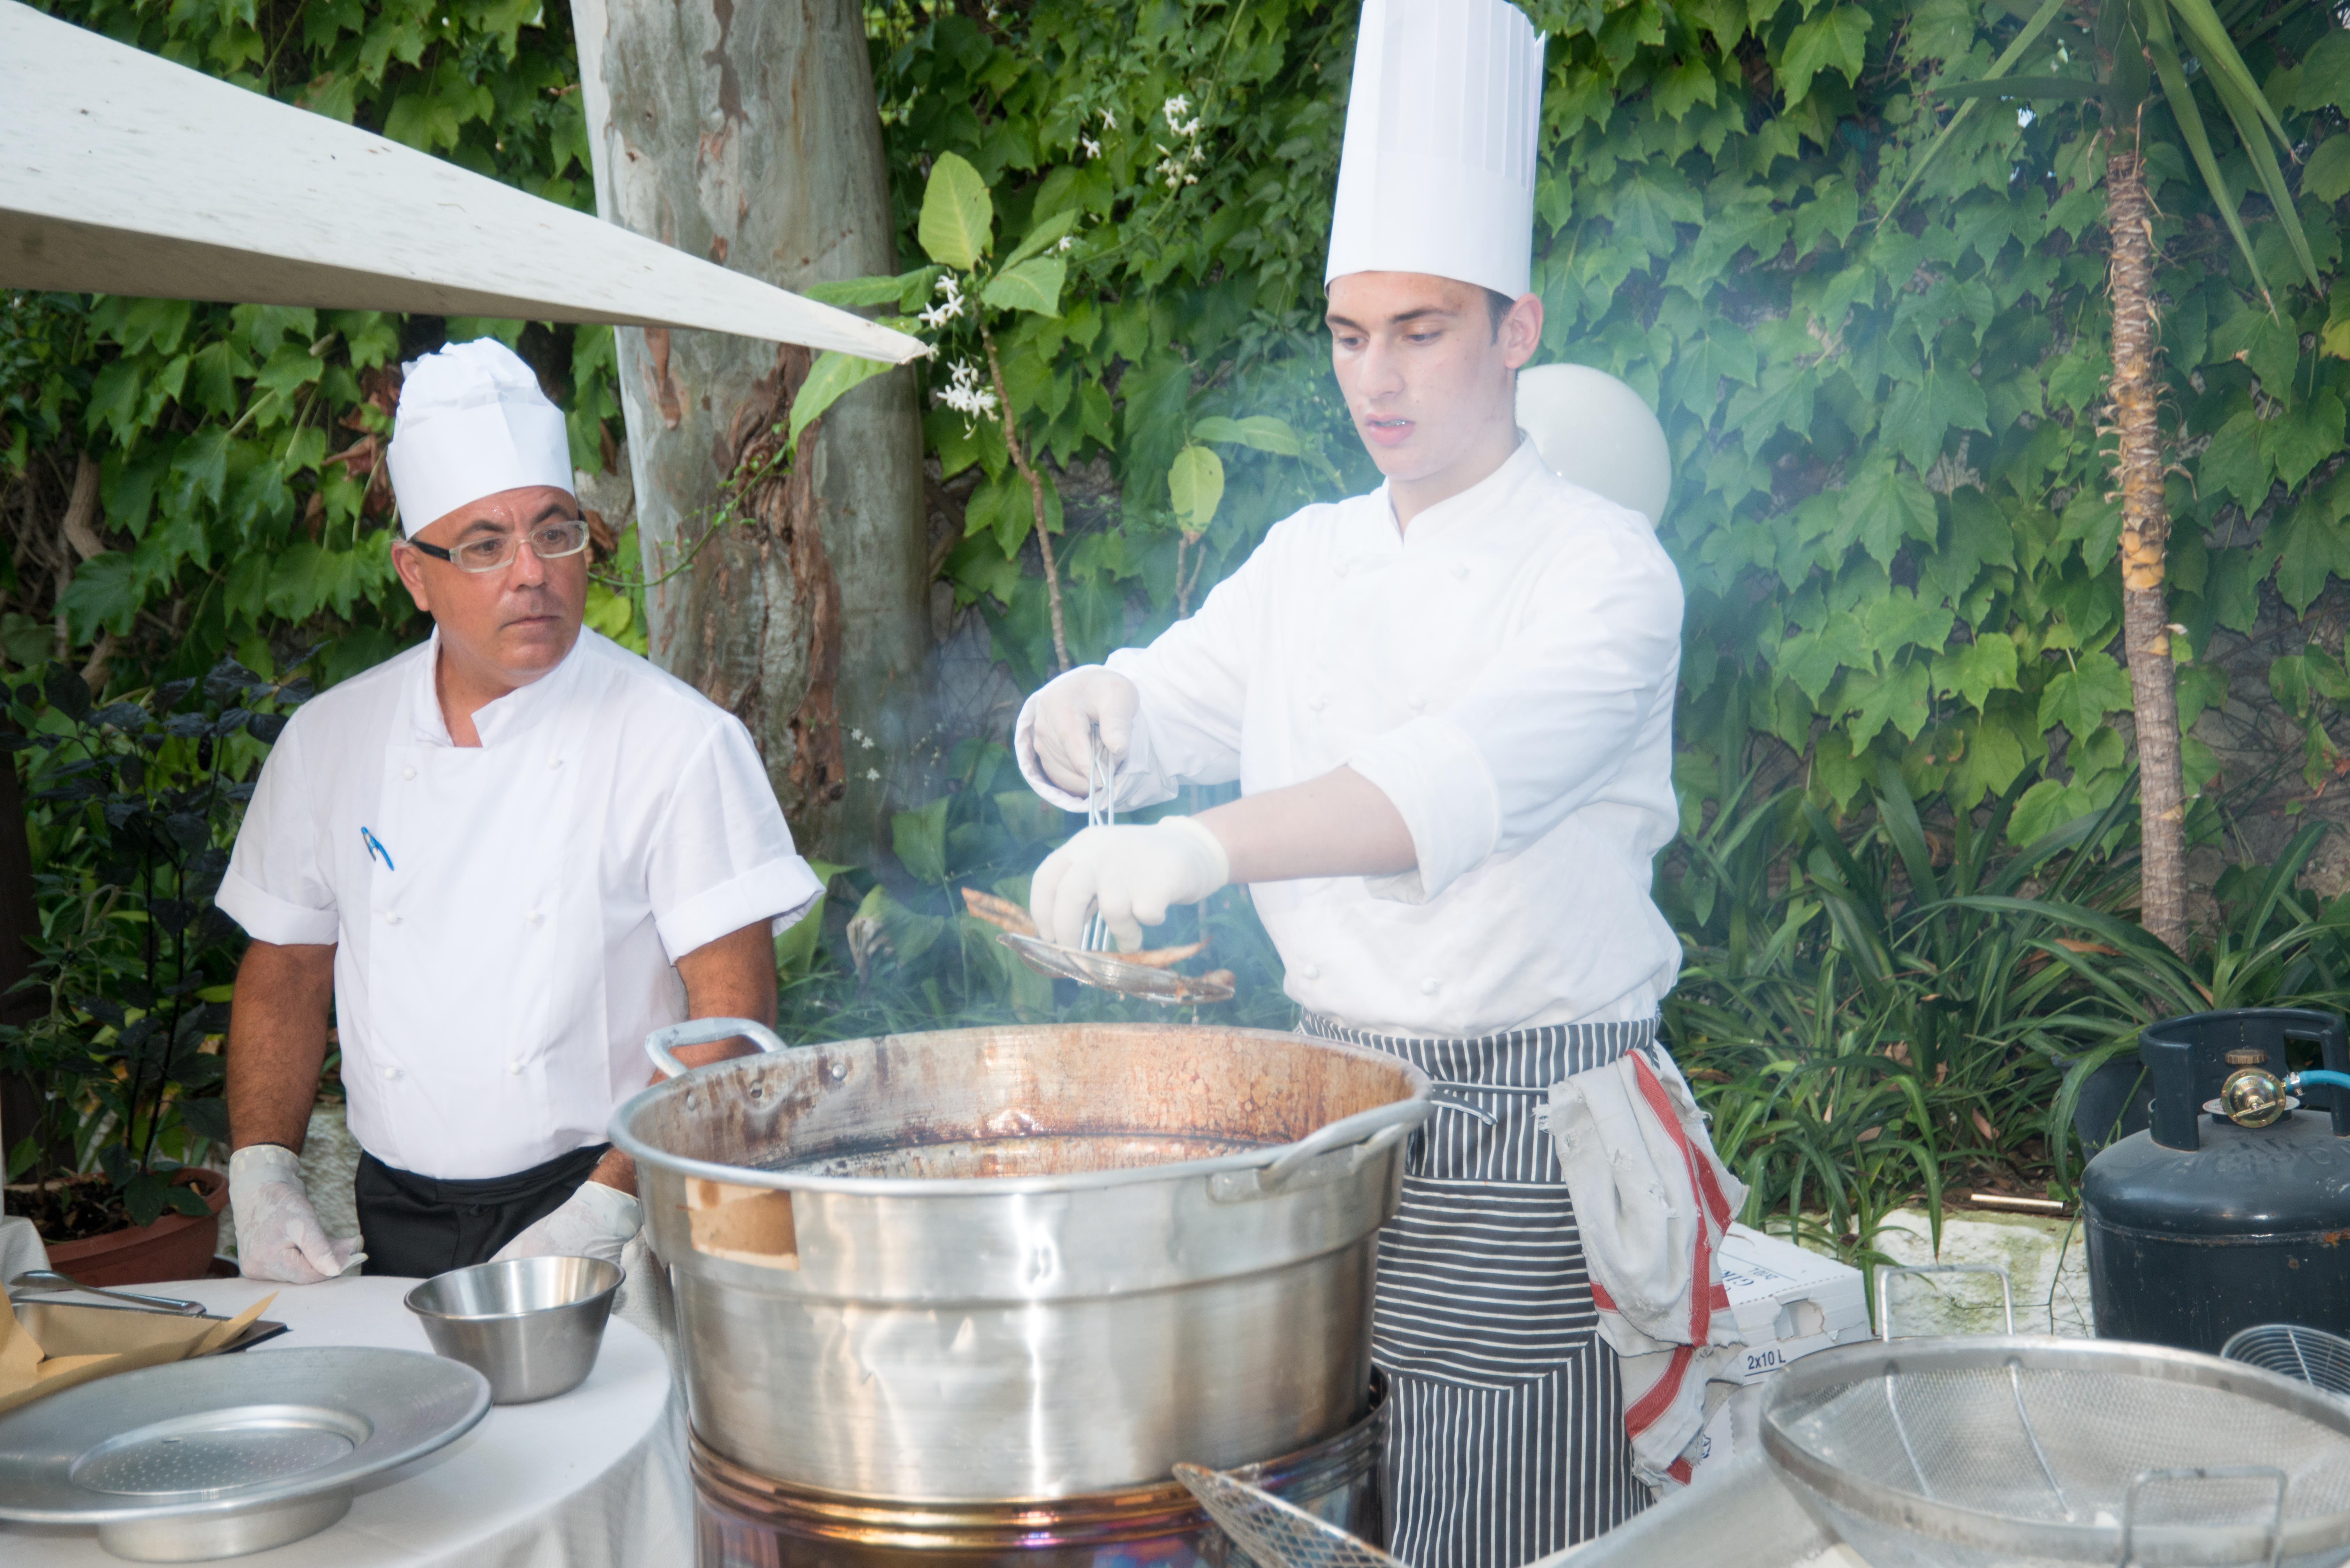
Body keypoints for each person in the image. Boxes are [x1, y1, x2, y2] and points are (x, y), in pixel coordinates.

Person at [1016, 2, 1689, 1563]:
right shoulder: (1308, 555)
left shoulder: (1605, 571)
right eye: (1346, 332)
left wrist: (1192, 852)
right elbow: (1164, 703)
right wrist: (1084, 717)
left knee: (1494, 1521)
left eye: (1421, 330)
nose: (1373, 380)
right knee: (1309, 1494)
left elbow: (1433, 791)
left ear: (1516, 328)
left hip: (1529, 1123)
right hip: (1324, 1104)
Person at [220, 339, 822, 1282]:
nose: (530, 572)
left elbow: (732, 1011)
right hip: (399, 1218)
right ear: (414, 575)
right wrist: (262, 1173)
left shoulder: (678, 741)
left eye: (556, 532)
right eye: (484, 546)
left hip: (614, 1201)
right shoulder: (331, 741)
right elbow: (288, 970)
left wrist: (612, 1202)